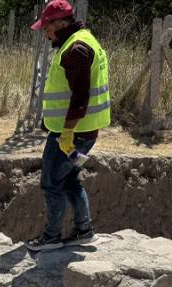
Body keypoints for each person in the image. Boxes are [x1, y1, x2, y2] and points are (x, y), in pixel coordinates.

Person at [25, 0, 111, 252]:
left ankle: (51, 238)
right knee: (71, 179)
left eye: (47, 27)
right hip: (85, 132)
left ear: (61, 23)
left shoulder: (76, 49)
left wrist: (67, 132)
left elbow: (80, 97)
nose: (45, 32)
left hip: (73, 134)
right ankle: (84, 231)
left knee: (52, 183)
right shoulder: (83, 40)